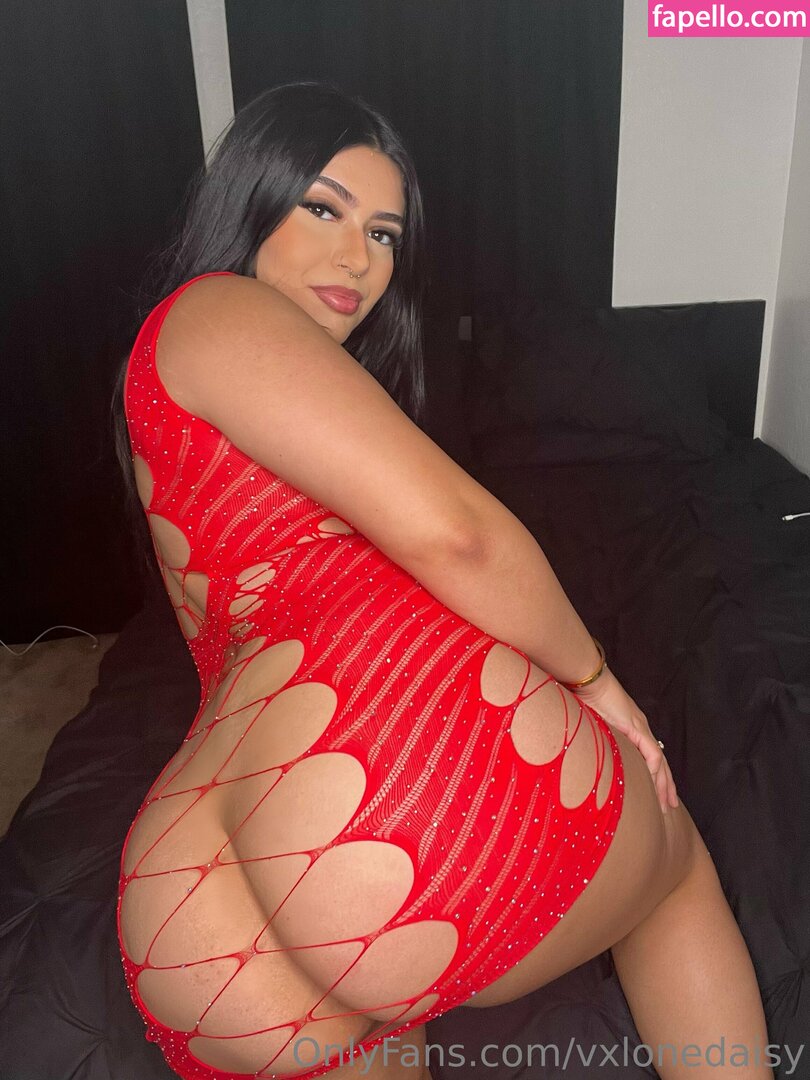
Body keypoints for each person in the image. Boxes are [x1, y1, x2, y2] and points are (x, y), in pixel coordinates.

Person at [113, 81, 772, 1080]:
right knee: (674, 865)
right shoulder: (218, 308)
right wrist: (598, 683)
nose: (358, 258)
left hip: (192, 885)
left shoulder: (174, 375)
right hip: (366, 787)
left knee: (379, 1022)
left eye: (383, 235)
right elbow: (458, 537)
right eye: (324, 209)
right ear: (249, 201)